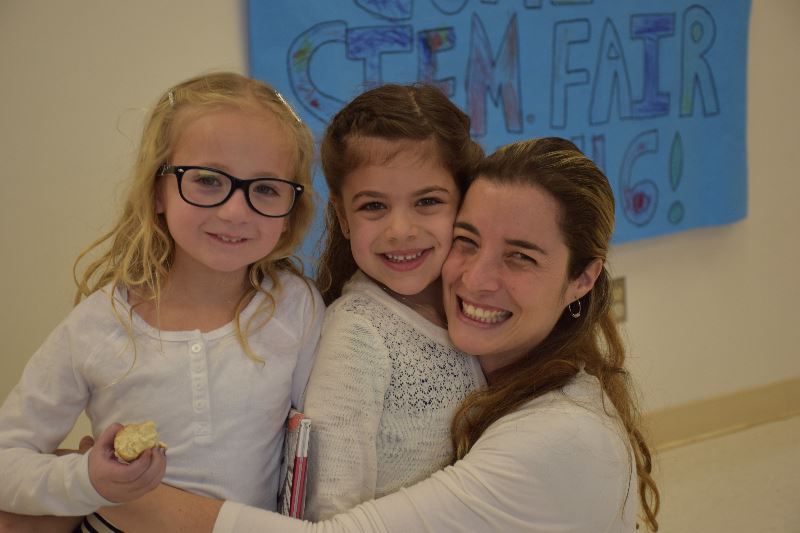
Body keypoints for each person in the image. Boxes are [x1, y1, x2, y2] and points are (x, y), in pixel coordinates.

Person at [40, 136, 658, 532]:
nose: (476, 278)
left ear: (582, 279)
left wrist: (124, 500)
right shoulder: (405, 340)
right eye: (467, 241)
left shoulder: (562, 437)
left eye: (521, 257)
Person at [0, 72, 324, 528]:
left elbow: (323, 454)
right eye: (208, 180)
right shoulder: (98, 325)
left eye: (266, 188)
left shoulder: (296, 307)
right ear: (157, 189)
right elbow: (7, 457)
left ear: (292, 209)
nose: (235, 210)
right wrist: (86, 480)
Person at [304, 83, 486, 519]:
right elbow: (332, 505)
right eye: (373, 207)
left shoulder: (471, 304)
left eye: (427, 201)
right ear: (343, 217)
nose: (400, 229)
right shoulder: (357, 332)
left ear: (465, 202)